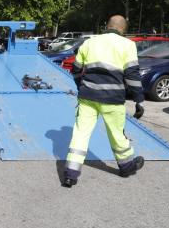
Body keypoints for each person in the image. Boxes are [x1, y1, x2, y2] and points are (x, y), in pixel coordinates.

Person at [62, 15, 145, 188]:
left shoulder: (90, 42)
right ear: (123, 29)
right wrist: (138, 101)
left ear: (107, 26)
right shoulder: (127, 45)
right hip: (112, 100)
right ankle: (126, 167)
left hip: (88, 97)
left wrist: (81, 86)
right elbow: (132, 75)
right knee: (116, 134)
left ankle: (70, 174)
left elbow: (76, 69)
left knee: (80, 134)